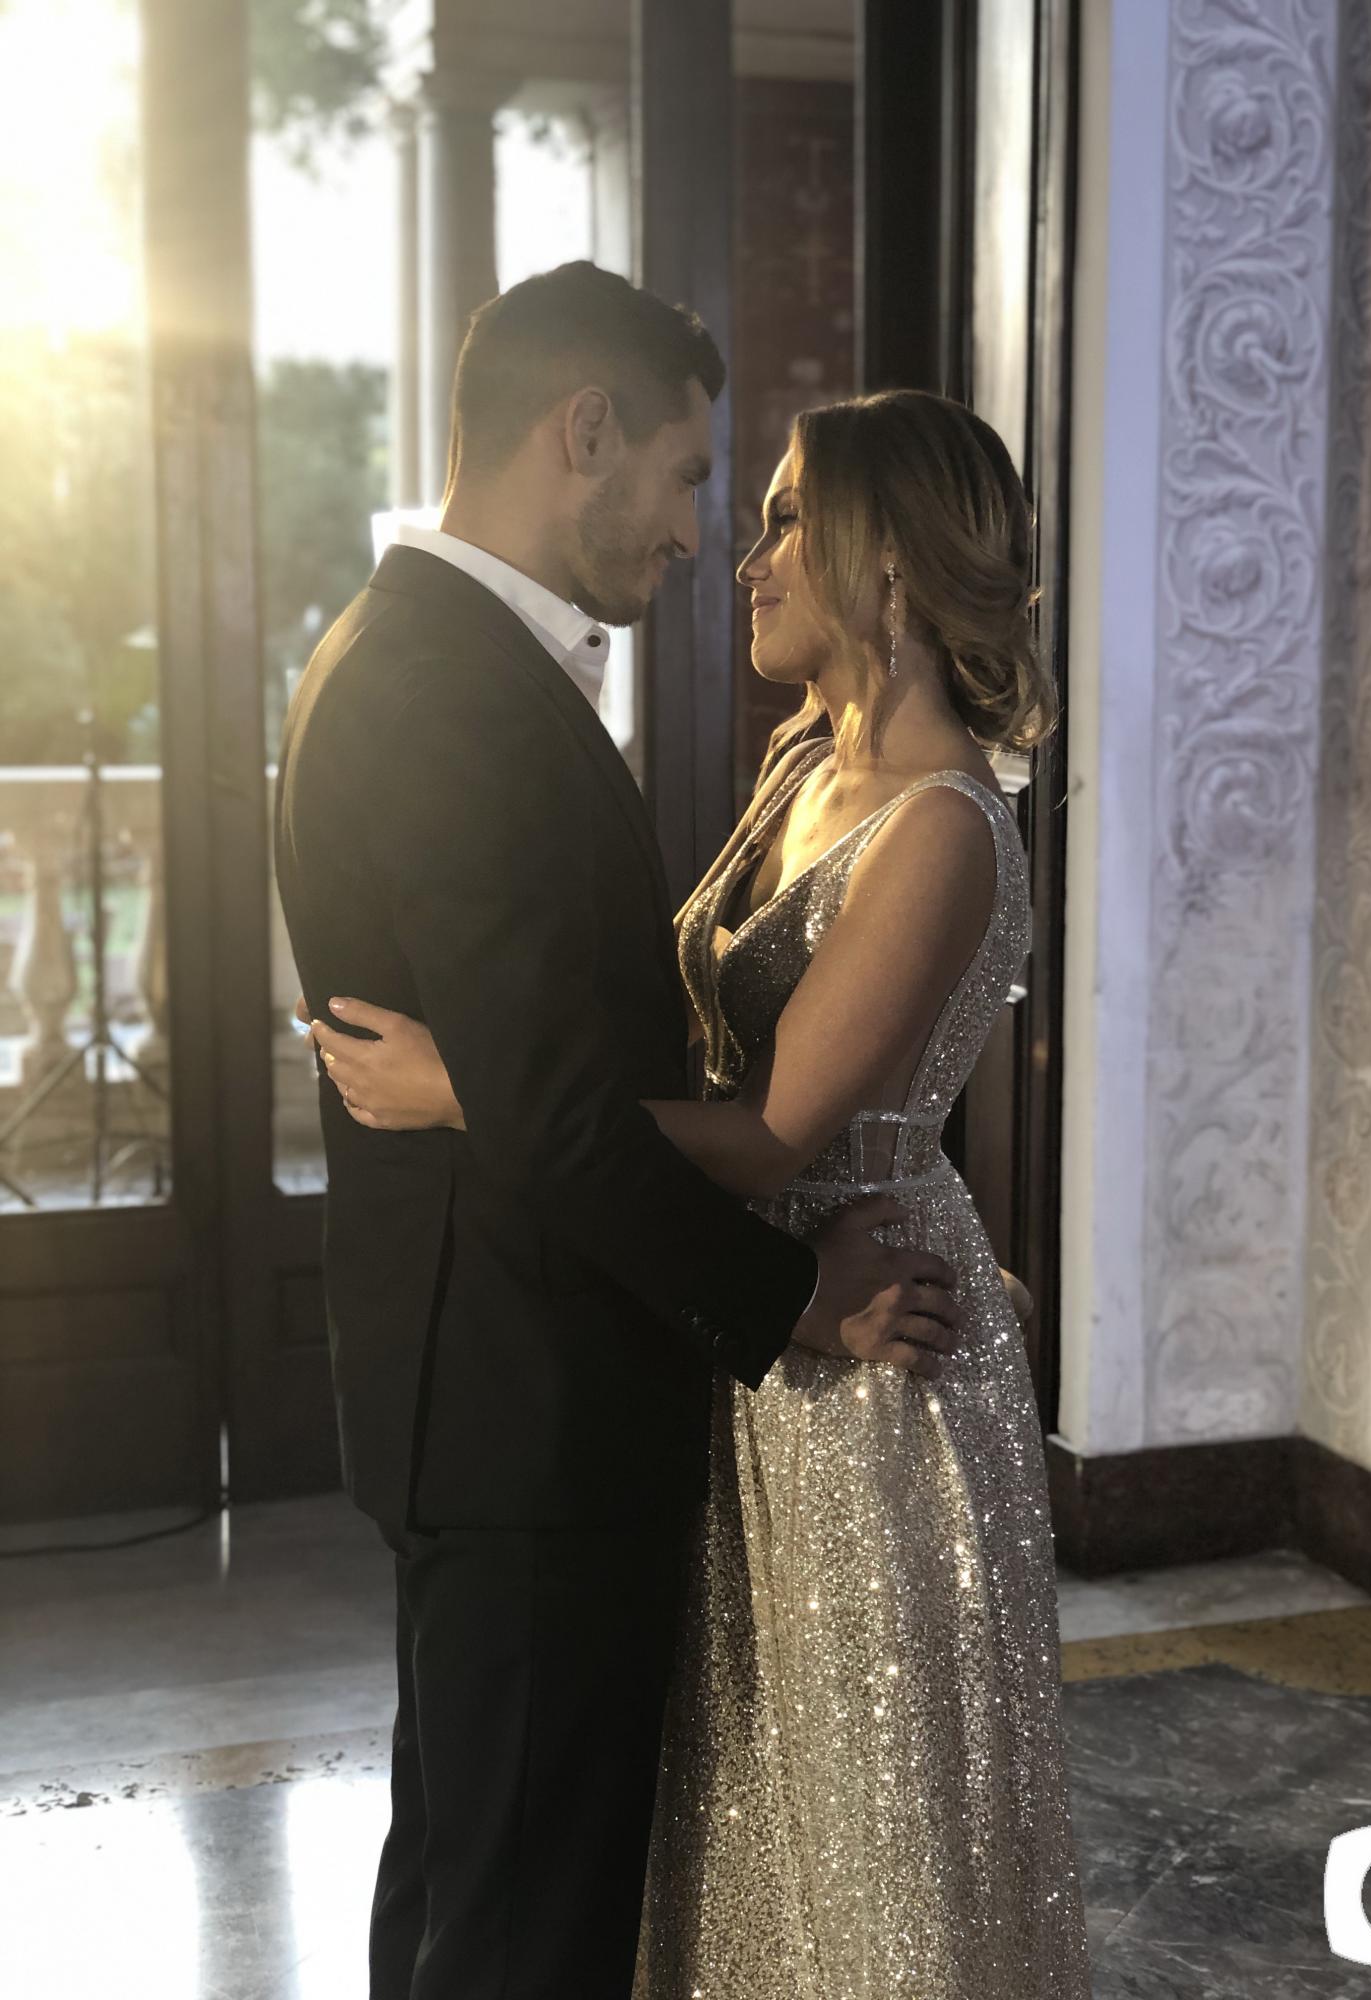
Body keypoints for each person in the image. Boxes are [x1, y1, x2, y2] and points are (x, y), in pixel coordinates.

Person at [311, 386, 1093, 1996]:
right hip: (747, 1332)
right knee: (743, 1819)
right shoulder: (804, 763)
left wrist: (468, 1085)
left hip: (861, 1356)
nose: (746, 554)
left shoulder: (944, 827)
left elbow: (776, 1132)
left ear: (889, 567)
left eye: (791, 519)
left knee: (868, 1827)